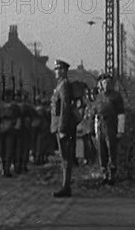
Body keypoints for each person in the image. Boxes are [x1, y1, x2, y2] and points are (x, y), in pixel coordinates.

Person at [50, 59, 80, 198]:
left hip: (64, 127)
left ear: (63, 71)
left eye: (58, 69)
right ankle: (65, 185)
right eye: (56, 69)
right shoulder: (61, 85)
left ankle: (66, 187)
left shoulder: (64, 85)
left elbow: (65, 108)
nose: (56, 71)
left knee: (66, 158)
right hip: (60, 126)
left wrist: (62, 128)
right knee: (64, 157)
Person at [93, 73, 125, 185]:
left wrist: (120, 130)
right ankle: (104, 173)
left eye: (108, 83)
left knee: (111, 150)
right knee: (102, 151)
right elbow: (96, 114)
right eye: (104, 83)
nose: (106, 85)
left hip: (111, 125)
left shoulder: (116, 97)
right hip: (100, 125)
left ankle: (112, 174)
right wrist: (96, 131)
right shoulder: (98, 97)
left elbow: (121, 114)